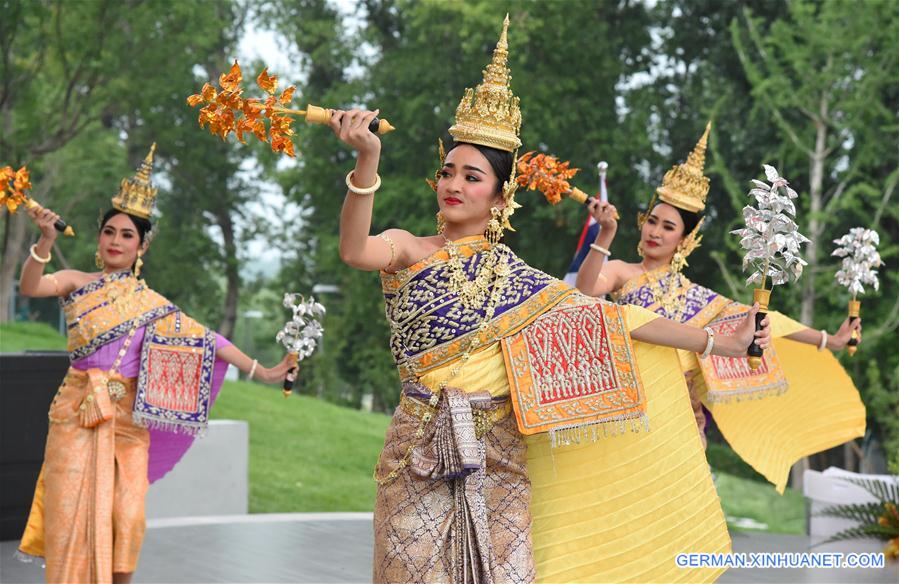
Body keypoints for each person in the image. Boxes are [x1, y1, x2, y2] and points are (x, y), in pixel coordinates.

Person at [331, 17, 771, 582]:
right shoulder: (411, 249)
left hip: (501, 456)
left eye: (472, 175)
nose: (453, 184)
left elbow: (618, 322)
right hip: (419, 449)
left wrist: (720, 341)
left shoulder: (523, 282)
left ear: (500, 194)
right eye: (447, 171)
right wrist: (367, 161)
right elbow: (354, 249)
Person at [15, 144, 294, 584]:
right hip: (76, 415)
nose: (115, 241)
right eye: (109, 232)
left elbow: (211, 341)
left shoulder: (154, 306)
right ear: (98, 237)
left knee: (127, 519)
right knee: (69, 516)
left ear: (142, 244)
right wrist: (46, 240)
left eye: (127, 235)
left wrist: (264, 370)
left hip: (128, 424)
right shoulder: (75, 283)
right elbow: (30, 286)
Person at [575, 123, 866, 490]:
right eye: (651, 221)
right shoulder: (619, 271)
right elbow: (584, 292)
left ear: (685, 239)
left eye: (667, 227)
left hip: (680, 419)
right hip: (630, 409)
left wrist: (829, 340)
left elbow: (766, 322)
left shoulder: (699, 298)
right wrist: (604, 235)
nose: (655, 232)